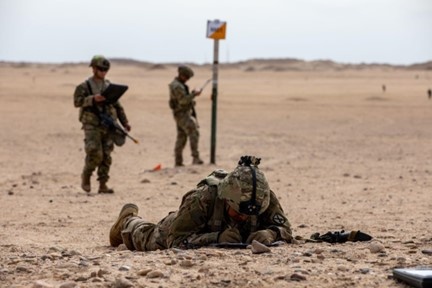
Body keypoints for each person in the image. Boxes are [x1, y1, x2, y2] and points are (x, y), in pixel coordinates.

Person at [109, 156, 293, 250]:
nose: (244, 217)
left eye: (250, 215)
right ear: (226, 198)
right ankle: (128, 220)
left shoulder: (262, 198)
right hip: (185, 227)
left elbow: (285, 229)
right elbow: (176, 240)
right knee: (149, 237)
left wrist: (271, 233)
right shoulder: (202, 199)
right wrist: (216, 238)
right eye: (238, 212)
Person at [73, 55, 131, 194]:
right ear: (93, 68)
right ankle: (86, 176)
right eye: (100, 69)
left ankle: (103, 184)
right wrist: (92, 99)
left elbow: (117, 106)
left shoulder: (108, 86)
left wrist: (125, 122)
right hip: (91, 123)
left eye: (105, 69)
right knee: (95, 152)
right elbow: (77, 102)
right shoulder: (84, 86)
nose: (103, 72)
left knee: (106, 154)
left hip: (108, 124)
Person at [169, 65, 203, 167]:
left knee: (182, 137)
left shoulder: (178, 84)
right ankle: (195, 158)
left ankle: (178, 162)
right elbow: (183, 101)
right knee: (193, 132)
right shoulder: (177, 86)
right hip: (182, 114)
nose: (187, 79)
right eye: (186, 77)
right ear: (181, 75)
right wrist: (193, 95)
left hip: (181, 114)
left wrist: (191, 96)